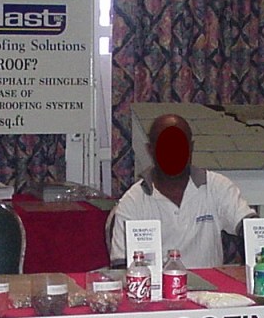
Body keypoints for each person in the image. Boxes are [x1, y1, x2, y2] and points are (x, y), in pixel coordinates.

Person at [109, 113, 255, 268]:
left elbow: (251, 229)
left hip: (210, 284)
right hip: (155, 283)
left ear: (191, 147)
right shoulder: (132, 202)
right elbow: (121, 267)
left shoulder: (218, 187)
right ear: (151, 150)